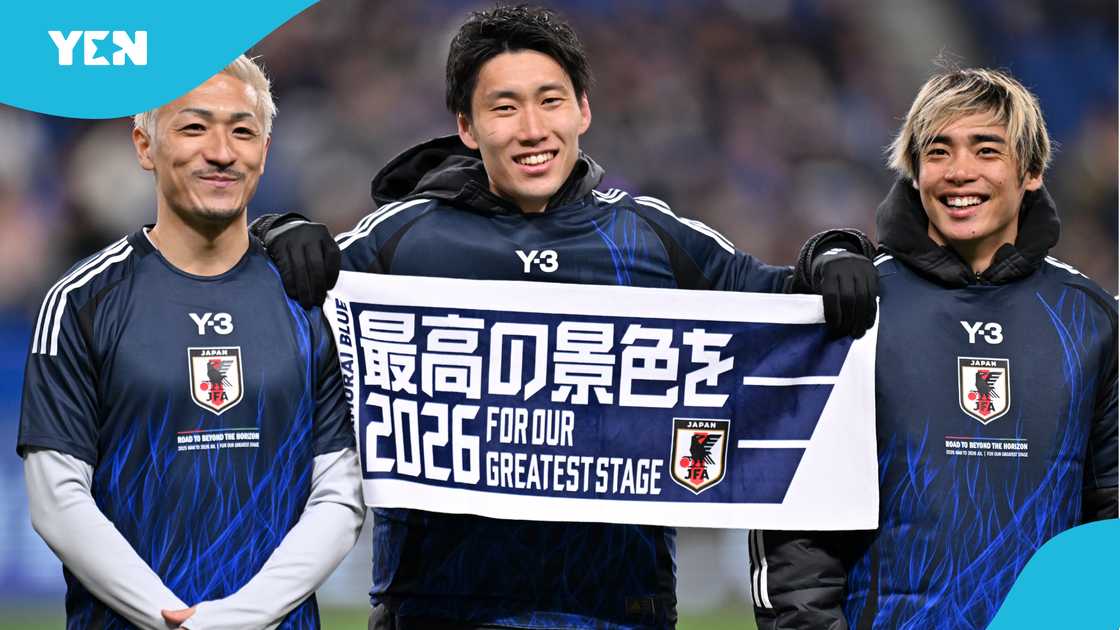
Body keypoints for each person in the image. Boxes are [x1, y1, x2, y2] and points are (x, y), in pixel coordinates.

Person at [257, 5, 879, 629]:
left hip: (619, 610)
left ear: (583, 109)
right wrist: (278, 235)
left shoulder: (649, 238)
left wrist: (834, 252)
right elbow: (261, 290)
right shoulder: (403, 239)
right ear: (467, 127)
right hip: (438, 610)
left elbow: (786, 302)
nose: (532, 129)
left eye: (550, 101)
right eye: (504, 108)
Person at [749, 67, 1118, 629]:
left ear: (1032, 170)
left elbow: (1110, 518)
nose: (960, 172)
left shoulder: (1092, 320)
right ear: (914, 170)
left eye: (986, 149)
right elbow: (794, 523)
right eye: (938, 152)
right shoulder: (857, 305)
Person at [18, 56, 364, 630]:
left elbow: (340, 492)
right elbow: (58, 500)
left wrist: (241, 618)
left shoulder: (309, 301)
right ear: (144, 146)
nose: (222, 151)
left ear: (264, 150)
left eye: (243, 130)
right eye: (194, 127)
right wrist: (172, 619)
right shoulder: (82, 301)